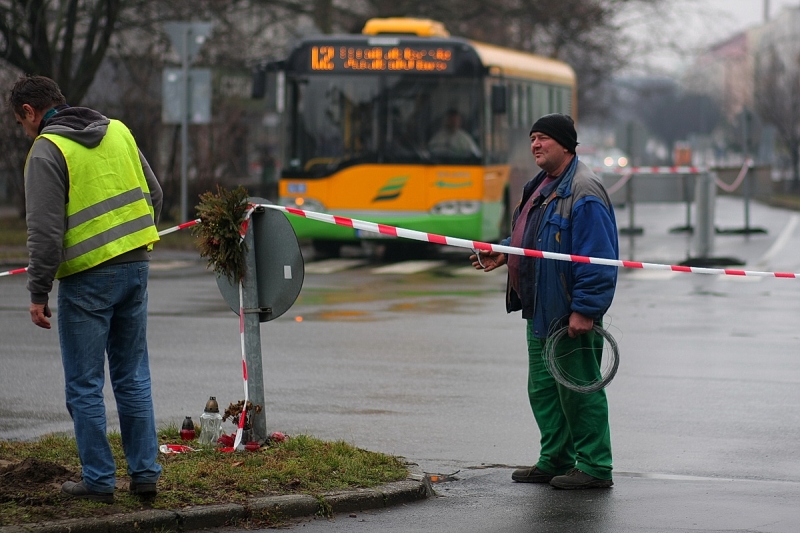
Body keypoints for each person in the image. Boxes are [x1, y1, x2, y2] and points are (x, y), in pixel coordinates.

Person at [8, 75, 163, 503]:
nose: (24, 131)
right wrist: (132, 242)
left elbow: (44, 232)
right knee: (132, 377)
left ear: (29, 112)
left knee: (84, 385)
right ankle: (145, 473)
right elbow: (155, 193)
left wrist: (38, 292)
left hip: (88, 278)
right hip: (136, 268)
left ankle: (98, 480)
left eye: (21, 122)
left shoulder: (47, 149)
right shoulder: (118, 130)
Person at [470, 113, 618, 490]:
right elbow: (532, 236)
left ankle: (595, 467)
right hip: (540, 307)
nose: (535, 144)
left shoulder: (583, 191)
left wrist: (584, 310)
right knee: (544, 389)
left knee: (577, 389)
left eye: (544, 138)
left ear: (566, 144)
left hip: (568, 311)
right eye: (533, 138)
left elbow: (599, 259)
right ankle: (555, 459)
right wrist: (504, 252)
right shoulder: (542, 185)